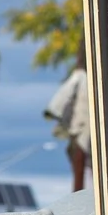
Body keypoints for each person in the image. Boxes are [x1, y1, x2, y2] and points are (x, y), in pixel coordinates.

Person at [45, 54, 91, 191]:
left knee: (79, 159)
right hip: (82, 130)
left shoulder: (80, 77)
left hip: (81, 130)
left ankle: (79, 195)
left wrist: (55, 113)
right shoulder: (86, 78)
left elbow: (57, 104)